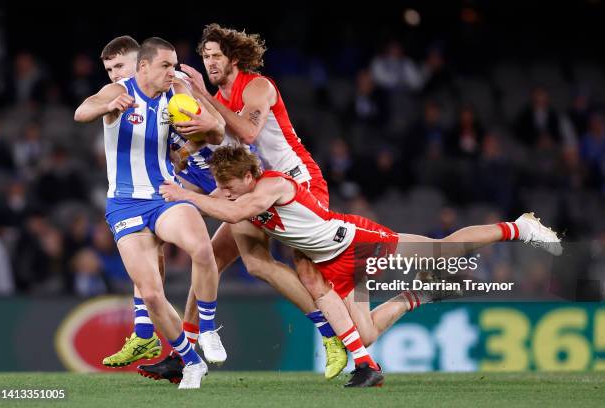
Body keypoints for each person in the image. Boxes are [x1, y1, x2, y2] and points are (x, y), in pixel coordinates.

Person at [160, 145, 563, 387]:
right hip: (328, 261)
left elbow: (234, 210)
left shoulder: (271, 186)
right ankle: (404, 315)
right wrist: (183, 186)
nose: (225, 194)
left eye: (229, 186)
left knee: (442, 248)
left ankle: (518, 227)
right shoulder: (240, 188)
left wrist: (185, 195)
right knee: (363, 332)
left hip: (356, 241)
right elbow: (218, 198)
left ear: (249, 175)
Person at [139, 23, 346, 383]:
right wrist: (183, 152)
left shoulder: (258, 87)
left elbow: (247, 132)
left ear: (234, 57)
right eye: (205, 57)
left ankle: (335, 335)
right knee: (211, 256)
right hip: (257, 186)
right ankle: (183, 353)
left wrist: (201, 94)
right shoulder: (217, 103)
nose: (210, 63)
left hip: (298, 181)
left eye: (216, 56)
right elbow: (216, 139)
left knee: (297, 269)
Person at [75, 37, 225, 389]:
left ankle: (207, 329)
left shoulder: (177, 94)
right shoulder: (117, 90)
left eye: (174, 65)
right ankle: (190, 362)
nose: (172, 72)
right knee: (152, 294)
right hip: (125, 204)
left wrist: (193, 134)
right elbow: (82, 112)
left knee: (202, 249)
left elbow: (217, 131)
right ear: (144, 67)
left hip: (164, 195)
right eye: (166, 65)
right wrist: (107, 105)